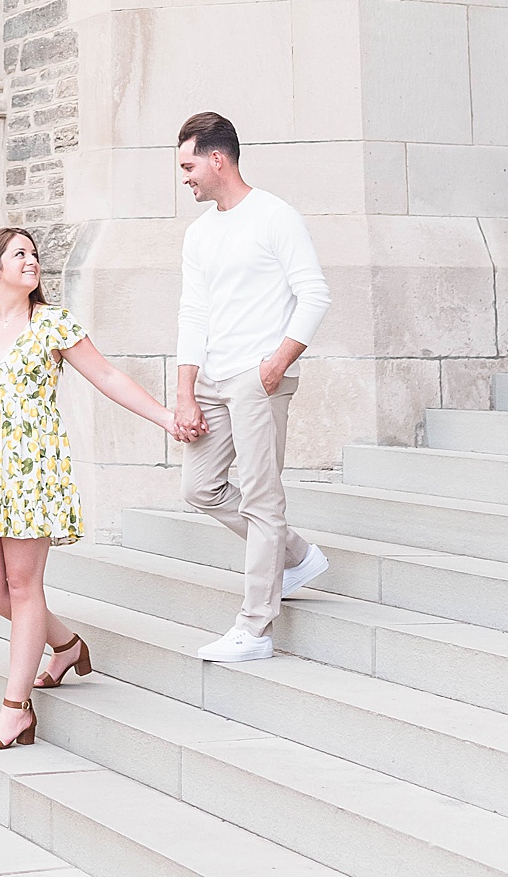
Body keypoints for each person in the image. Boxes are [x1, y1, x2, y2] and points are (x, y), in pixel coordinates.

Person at [0, 227, 197, 751]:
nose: (32, 262)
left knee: (25, 587)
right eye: (20, 255)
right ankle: (67, 644)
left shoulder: (53, 324)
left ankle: (15, 713)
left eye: (34, 254)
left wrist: (167, 417)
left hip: (34, 472)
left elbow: (107, 377)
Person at [173, 111, 334, 662]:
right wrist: (185, 390)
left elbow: (315, 295)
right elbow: (193, 312)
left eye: (189, 165)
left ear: (217, 159)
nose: (186, 177)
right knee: (200, 487)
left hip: (258, 378)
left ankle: (255, 628)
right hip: (214, 379)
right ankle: (295, 555)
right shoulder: (199, 232)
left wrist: (274, 366)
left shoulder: (275, 217)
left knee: (263, 497)